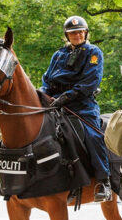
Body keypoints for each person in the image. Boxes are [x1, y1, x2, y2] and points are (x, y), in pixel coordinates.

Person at [41, 15, 112, 202]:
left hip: (81, 106)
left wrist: (66, 97)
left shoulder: (93, 52)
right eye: (73, 33)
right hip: (54, 104)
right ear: (67, 35)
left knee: (94, 136)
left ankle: (103, 182)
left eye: (80, 32)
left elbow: (90, 82)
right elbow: (47, 79)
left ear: (86, 33)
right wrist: (42, 94)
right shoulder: (58, 55)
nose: (77, 35)